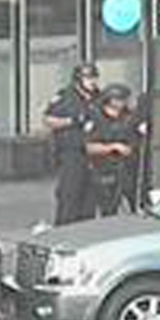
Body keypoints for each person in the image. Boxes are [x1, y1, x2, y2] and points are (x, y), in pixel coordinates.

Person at [44, 62, 101, 225]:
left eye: (94, 77)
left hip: (94, 153)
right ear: (78, 80)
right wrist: (72, 121)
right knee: (70, 195)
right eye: (88, 78)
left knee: (90, 199)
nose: (93, 81)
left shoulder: (99, 97)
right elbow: (48, 119)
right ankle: (63, 230)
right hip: (71, 153)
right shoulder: (65, 97)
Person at [86, 84, 139, 217]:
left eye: (125, 99)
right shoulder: (95, 118)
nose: (123, 103)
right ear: (110, 100)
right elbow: (86, 147)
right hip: (104, 170)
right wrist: (113, 147)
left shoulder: (129, 117)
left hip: (129, 169)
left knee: (135, 206)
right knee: (108, 209)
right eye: (120, 99)